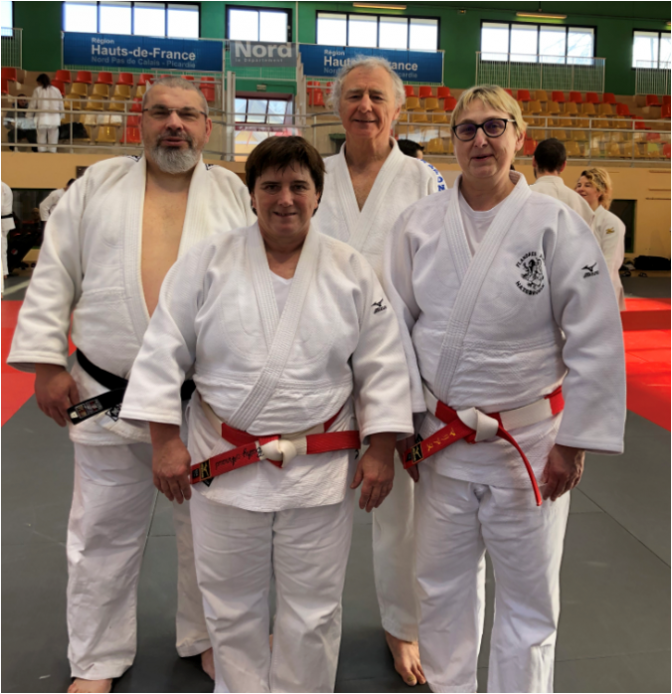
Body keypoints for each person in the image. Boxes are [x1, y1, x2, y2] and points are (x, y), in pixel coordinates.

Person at [119, 135, 414, 693]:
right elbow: (162, 351)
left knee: (315, 610)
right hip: (223, 458)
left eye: (298, 186)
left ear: (318, 196)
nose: (285, 199)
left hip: (319, 469)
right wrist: (164, 442)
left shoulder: (350, 268)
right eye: (271, 186)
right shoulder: (206, 262)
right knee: (230, 607)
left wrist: (379, 451)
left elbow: (382, 363)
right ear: (251, 195)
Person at [8, 76, 255, 694]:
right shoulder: (96, 187)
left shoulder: (230, 192)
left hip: (204, 400)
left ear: (207, 125)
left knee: (213, 534)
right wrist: (45, 363)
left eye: (189, 115)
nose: (175, 124)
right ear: (137, 123)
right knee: (101, 534)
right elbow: (56, 273)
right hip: (105, 389)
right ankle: (95, 658)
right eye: (162, 113)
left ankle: (208, 639)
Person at [383, 85, 626, 693]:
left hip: (532, 448)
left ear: (519, 135)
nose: (480, 140)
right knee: (440, 590)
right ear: (452, 140)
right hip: (442, 443)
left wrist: (576, 442)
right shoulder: (417, 225)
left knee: (528, 603)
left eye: (495, 127)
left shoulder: (558, 225)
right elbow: (393, 331)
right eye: (467, 129)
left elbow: (595, 337)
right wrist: (407, 425)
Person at [314, 55, 439, 686]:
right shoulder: (312, 175)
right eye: (354, 95)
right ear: (337, 107)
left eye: (377, 97)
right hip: (315, 363)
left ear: (398, 109)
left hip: (399, 362)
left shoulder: (424, 180)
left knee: (401, 513)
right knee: (308, 506)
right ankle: (304, 620)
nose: (365, 106)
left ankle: (403, 626)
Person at [575, 168, 627, 310]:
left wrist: (596, 292)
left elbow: (609, 262)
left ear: (600, 191)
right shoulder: (574, 219)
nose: (580, 189)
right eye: (579, 185)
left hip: (603, 291)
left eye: (587, 185)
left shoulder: (610, 222)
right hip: (579, 289)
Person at [530, 138, 594, 227]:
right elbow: (588, 240)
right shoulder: (581, 205)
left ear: (533, 161)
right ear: (563, 165)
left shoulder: (522, 197)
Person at [28, 74, 64, 153]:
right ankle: (52, 152)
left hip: (42, 118)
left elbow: (32, 105)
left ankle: (41, 153)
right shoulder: (56, 90)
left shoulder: (37, 90)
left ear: (40, 82)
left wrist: (29, 117)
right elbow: (61, 104)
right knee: (53, 138)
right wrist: (61, 116)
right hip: (54, 118)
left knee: (41, 137)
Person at [2, 180, 15, 290]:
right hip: (4, 220)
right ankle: (4, 271)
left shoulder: (1, 187)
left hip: (2, 220)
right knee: (2, 246)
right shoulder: (4, 185)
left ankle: (3, 272)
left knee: (1, 247)